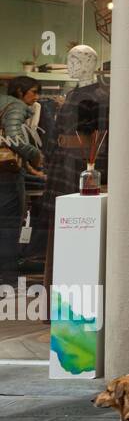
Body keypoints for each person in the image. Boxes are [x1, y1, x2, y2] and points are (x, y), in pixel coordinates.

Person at [0, 77, 43, 281]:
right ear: (19, 90)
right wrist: (35, 154)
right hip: (6, 174)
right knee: (9, 221)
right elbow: (14, 138)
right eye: (33, 91)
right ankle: (9, 270)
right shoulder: (16, 105)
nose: (37, 97)